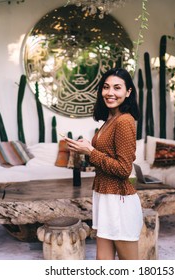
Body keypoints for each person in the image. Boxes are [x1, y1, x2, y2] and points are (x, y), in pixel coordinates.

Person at [64, 68, 143, 260]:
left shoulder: (124, 121)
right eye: (106, 87)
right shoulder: (109, 120)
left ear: (128, 92)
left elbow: (124, 169)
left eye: (117, 88)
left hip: (119, 200)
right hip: (105, 197)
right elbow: (105, 156)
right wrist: (86, 148)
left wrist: (91, 151)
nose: (110, 93)